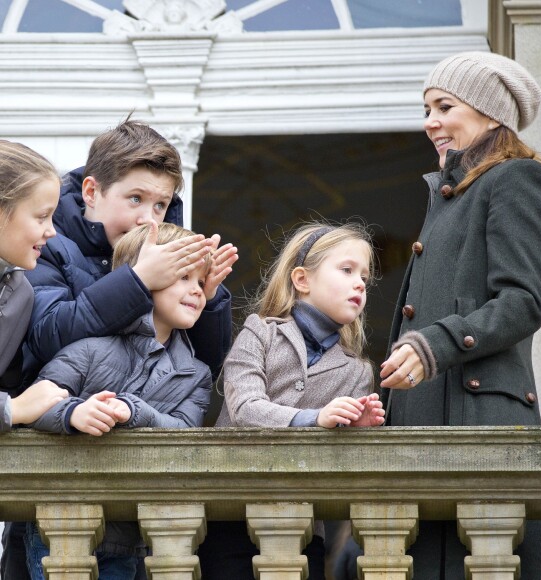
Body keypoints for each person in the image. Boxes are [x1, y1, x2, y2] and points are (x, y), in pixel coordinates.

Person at [0, 118, 238, 579]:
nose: (150, 217)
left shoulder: (171, 257)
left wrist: (205, 299)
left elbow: (203, 369)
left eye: (162, 204)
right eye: (135, 199)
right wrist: (136, 281)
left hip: (141, 510)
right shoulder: (43, 247)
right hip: (54, 482)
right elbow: (46, 336)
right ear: (91, 192)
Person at [379, 52, 541, 578]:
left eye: (444, 106)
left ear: (489, 112)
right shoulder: (450, 192)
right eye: (426, 108)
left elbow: (523, 302)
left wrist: (432, 344)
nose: (429, 121)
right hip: (425, 421)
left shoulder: (517, 178)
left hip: (480, 421)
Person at [22, 222, 218, 579]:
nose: (197, 291)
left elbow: (186, 435)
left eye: (202, 283)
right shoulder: (88, 348)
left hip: (132, 539)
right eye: (183, 277)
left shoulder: (197, 374)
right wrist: (72, 413)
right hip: (61, 527)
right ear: (145, 276)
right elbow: (35, 404)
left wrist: (137, 412)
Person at [197, 221, 385, 580]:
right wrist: (317, 418)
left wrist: (355, 431)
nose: (360, 282)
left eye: (365, 276)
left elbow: (343, 471)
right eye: (346, 270)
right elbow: (244, 409)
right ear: (302, 280)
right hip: (230, 519)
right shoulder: (259, 332)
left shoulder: (358, 371)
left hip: (302, 529)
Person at [0, 140, 70, 431]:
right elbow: (14, 406)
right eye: (41, 216)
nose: (52, 231)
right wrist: (11, 409)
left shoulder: (21, 293)